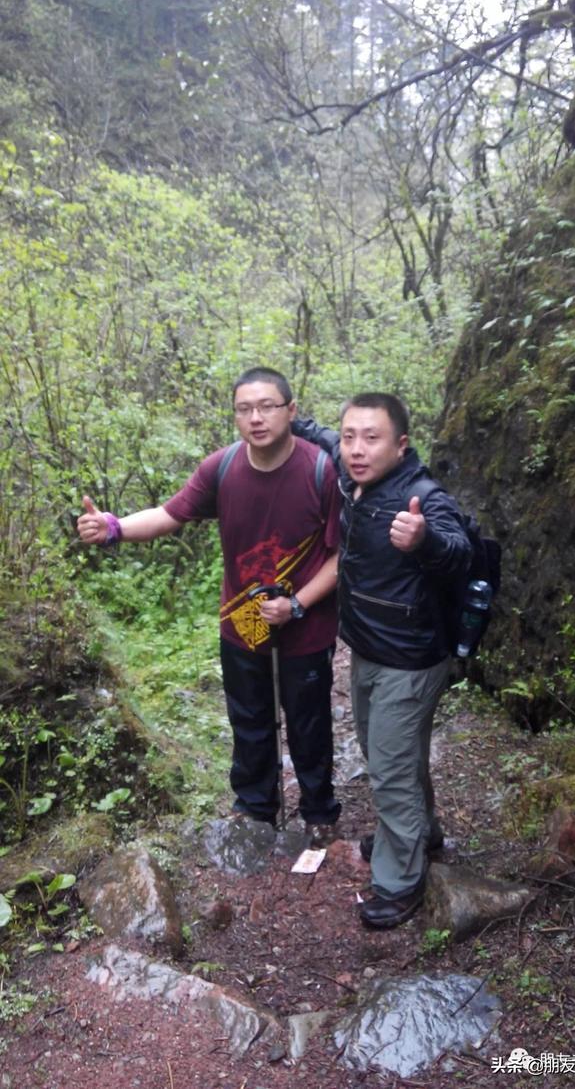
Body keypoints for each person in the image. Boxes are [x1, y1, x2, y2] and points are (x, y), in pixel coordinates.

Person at [77, 366, 342, 838]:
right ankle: (255, 807)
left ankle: (319, 812)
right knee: (249, 717)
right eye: (244, 409)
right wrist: (113, 527)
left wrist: (296, 605)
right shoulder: (222, 468)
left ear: (291, 410)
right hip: (242, 621)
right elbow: (169, 514)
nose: (256, 418)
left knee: (309, 722)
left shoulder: (321, 469)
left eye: (267, 407)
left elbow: (341, 557)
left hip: (305, 624)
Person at [293, 394, 471, 929]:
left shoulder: (421, 497)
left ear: (401, 445)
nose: (355, 448)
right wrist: (286, 416)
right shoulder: (353, 475)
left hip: (411, 657)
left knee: (390, 769)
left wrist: (423, 541)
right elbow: (320, 434)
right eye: (350, 436)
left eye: (371, 438)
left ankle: (401, 881)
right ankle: (423, 831)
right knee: (390, 751)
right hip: (370, 648)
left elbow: (458, 549)